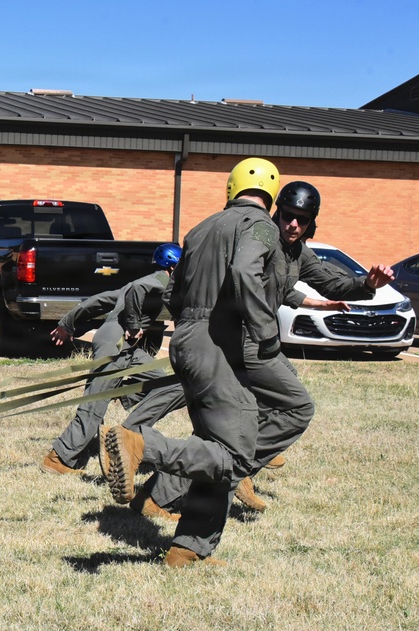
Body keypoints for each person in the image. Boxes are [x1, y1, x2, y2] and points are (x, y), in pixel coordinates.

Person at [118, 181, 397, 523]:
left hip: (250, 342)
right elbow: (234, 277)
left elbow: (328, 281)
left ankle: (158, 493)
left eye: (303, 220)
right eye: (289, 216)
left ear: (311, 223)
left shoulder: (297, 251)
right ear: (277, 212)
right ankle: (235, 468)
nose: (293, 225)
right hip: (244, 343)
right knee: (296, 407)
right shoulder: (260, 235)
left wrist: (367, 285)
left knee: (219, 431)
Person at [102, 157, 284, 568]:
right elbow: (243, 270)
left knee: (211, 447)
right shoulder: (261, 226)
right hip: (218, 343)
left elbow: (172, 295)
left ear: (231, 188)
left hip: (186, 337)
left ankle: (189, 549)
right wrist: (265, 333)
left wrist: (191, 324)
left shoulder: (200, 228)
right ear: (271, 196)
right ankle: (141, 444)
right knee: (235, 458)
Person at [40, 243, 183, 475]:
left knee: (161, 382)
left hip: (125, 347)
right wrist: (134, 325)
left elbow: (99, 300)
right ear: (173, 266)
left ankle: (123, 396)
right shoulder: (159, 280)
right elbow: (138, 288)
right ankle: (59, 458)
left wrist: (67, 323)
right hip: (115, 343)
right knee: (94, 404)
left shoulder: (149, 283)